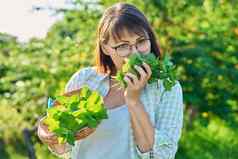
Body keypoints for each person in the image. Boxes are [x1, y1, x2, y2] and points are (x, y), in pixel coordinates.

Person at [37, 2, 184, 159]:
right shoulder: (84, 79)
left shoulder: (166, 88)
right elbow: (65, 148)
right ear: (106, 47)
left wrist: (133, 101)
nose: (135, 54)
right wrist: (48, 133)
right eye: (123, 46)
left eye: (141, 42)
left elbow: (162, 155)